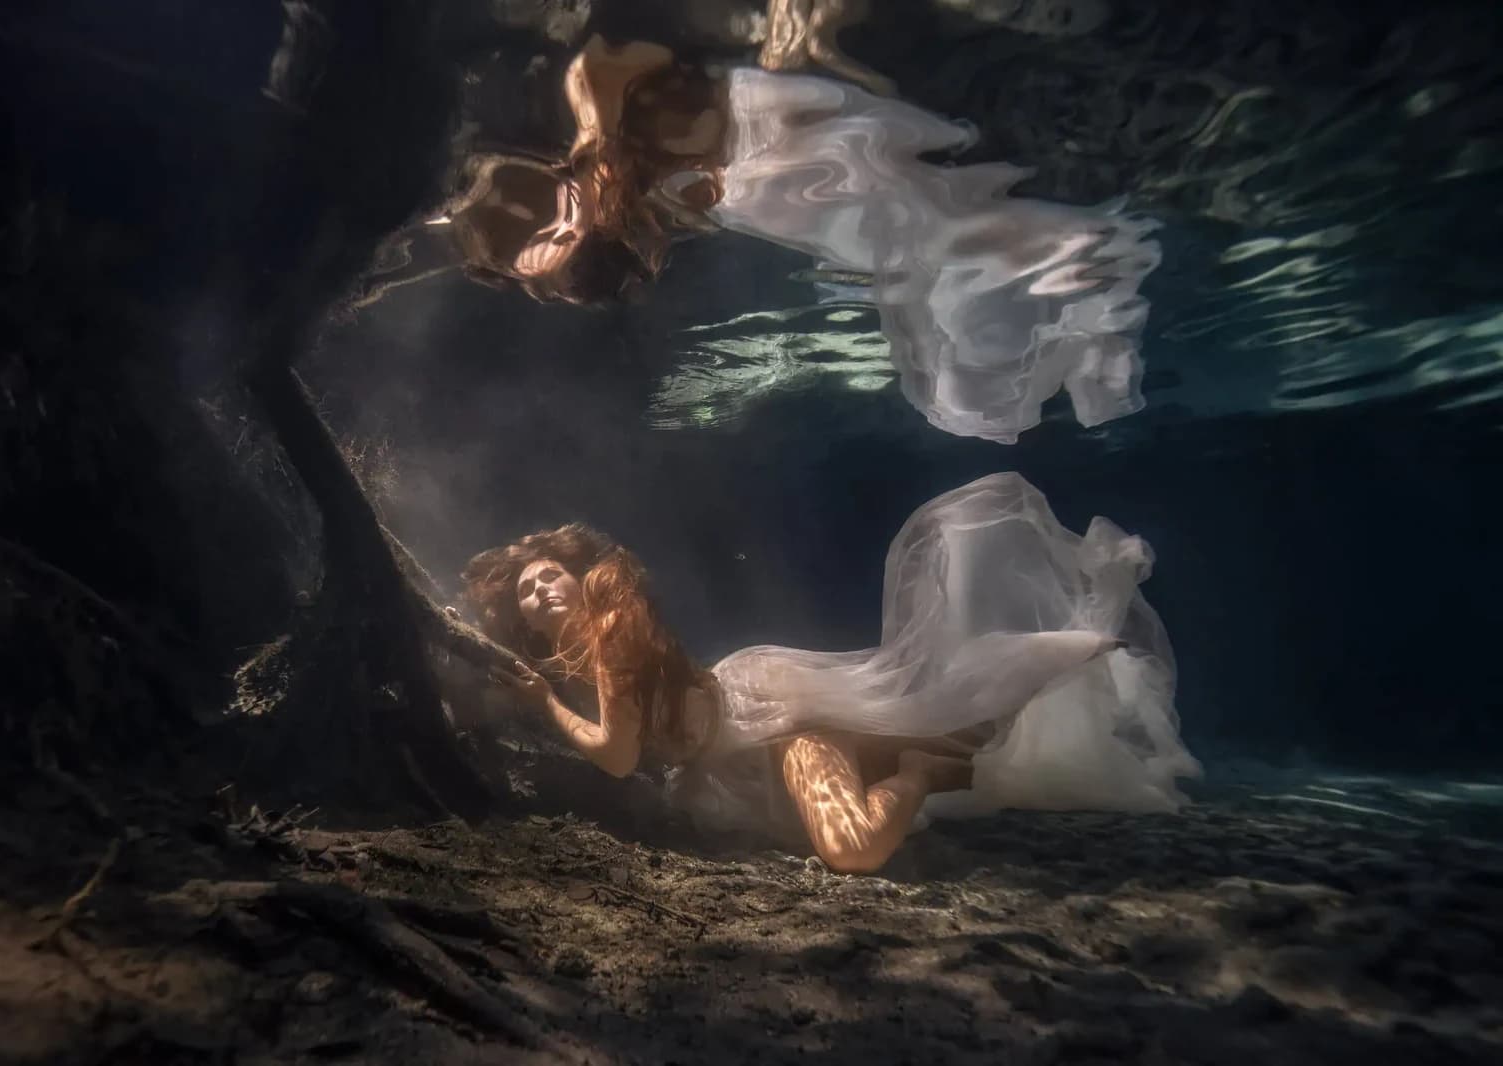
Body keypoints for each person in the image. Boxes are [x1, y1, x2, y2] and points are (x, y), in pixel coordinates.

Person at [460, 473, 1201, 874]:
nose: (540, 590)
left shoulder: (613, 626)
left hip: (775, 718)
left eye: (549, 574)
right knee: (961, 733)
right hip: (736, 747)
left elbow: (618, 757)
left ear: (575, 574)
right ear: (525, 622)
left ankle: (912, 770)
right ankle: (931, 758)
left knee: (854, 848)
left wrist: (543, 706)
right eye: (526, 592)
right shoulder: (585, 654)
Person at [440, 36, 1163, 444]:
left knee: (936, 243)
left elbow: (601, 60)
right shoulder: (636, 221)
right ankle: (1056, 262)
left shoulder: (597, 121)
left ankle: (1070, 258)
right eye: (556, 243)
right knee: (939, 323)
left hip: (792, 140)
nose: (568, 223)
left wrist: (597, 140)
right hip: (790, 195)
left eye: (550, 214)